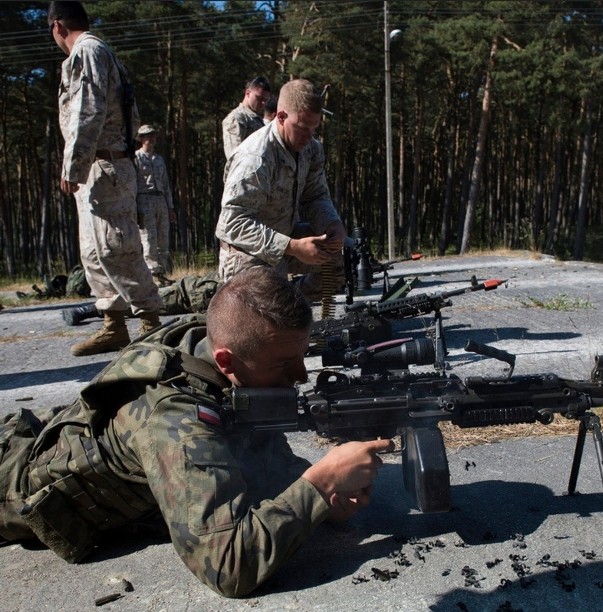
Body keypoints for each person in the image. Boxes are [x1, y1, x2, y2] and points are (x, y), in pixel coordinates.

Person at [0, 266, 394, 598]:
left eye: (301, 356)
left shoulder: (213, 354)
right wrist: (319, 485)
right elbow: (229, 566)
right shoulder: (177, 421)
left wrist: (323, 503)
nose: (300, 376)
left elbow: (261, 462)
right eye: (283, 364)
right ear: (227, 360)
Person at [48, 1, 161, 356]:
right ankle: (114, 325)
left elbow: (88, 110)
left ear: (57, 26)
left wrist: (73, 164)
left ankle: (150, 324)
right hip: (100, 169)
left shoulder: (88, 52)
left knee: (118, 246)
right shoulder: (97, 52)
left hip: (105, 165)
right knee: (94, 252)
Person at [215, 78, 346, 301]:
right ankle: (280, 308)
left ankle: (293, 303)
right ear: (281, 116)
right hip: (248, 254)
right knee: (268, 318)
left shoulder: (310, 149)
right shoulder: (256, 157)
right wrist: (292, 246)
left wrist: (332, 224)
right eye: (303, 128)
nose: (309, 136)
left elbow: (315, 195)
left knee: (342, 257)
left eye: (314, 128)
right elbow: (232, 224)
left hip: (285, 237)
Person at [135, 124, 177, 287]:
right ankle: (152, 274)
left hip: (160, 200)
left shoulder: (158, 159)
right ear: (141, 138)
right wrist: (135, 207)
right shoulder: (136, 158)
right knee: (149, 239)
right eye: (147, 136)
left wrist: (170, 206)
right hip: (144, 200)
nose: (151, 139)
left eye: (153, 136)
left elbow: (166, 185)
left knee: (163, 238)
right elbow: (133, 184)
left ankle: (161, 272)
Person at [221, 76, 271, 161]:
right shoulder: (236, 118)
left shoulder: (255, 118)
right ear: (248, 93)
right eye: (259, 98)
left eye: (265, 100)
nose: (263, 103)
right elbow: (234, 156)